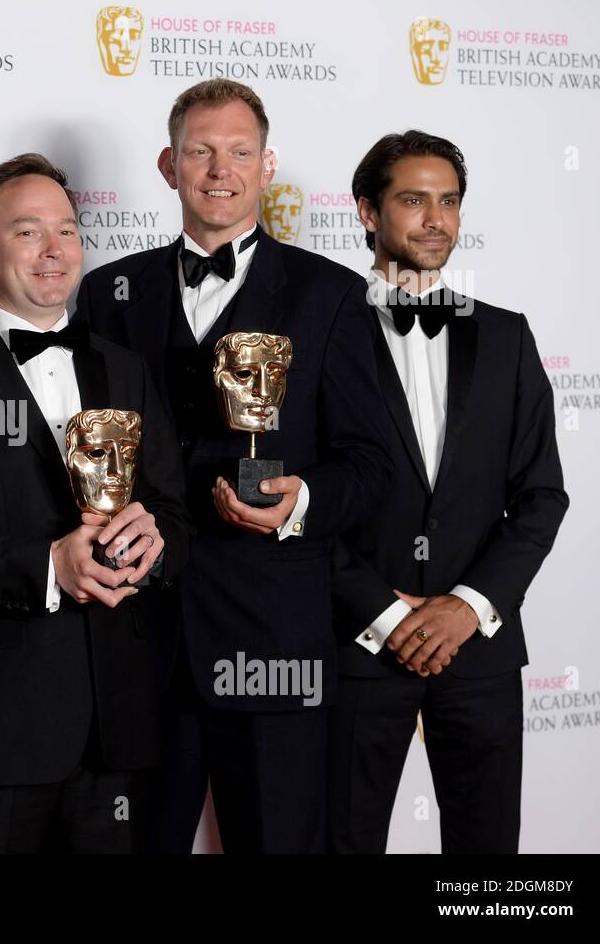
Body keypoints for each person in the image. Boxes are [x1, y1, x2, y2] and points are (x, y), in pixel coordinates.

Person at [74, 78, 393, 852]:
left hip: (273, 639)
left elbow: (373, 463)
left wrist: (302, 502)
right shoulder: (107, 292)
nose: (221, 169)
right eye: (201, 151)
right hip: (135, 636)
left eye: (239, 152)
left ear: (267, 164)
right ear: (167, 164)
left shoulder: (334, 296)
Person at [0, 153, 191, 853]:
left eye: (68, 231)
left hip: (117, 732)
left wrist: (155, 541)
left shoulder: (124, 367)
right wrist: (49, 565)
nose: (55, 251)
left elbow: (176, 513)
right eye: (28, 232)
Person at [329, 131, 568, 853]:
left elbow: (542, 496)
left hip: (482, 651)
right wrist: (380, 611)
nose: (435, 219)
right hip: (356, 648)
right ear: (368, 212)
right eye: (412, 200)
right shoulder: (318, 335)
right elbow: (299, 501)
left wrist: (467, 606)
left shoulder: (508, 337)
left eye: (449, 201)